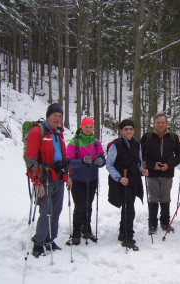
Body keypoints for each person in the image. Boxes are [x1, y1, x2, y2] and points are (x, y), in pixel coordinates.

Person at [25, 103, 72, 258]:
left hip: (58, 177)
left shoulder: (58, 133)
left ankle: (50, 239)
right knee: (46, 211)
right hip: (44, 177)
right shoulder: (38, 131)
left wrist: (68, 176)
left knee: (57, 210)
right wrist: (36, 182)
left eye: (60, 116)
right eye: (55, 116)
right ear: (48, 116)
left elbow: (63, 158)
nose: (57, 119)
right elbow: (31, 159)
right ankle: (38, 243)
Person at [106, 119, 147, 251]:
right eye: (126, 129)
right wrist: (119, 178)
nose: (129, 131)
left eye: (131, 128)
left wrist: (142, 170)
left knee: (128, 206)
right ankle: (127, 235)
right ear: (121, 131)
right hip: (122, 180)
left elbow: (139, 161)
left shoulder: (137, 144)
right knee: (129, 207)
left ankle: (123, 231)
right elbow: (109, 164)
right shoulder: (115, 145)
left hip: (134, 179)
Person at [140, 112, 180, 235]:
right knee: (153, 199)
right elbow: (140, 155)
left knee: (165, 199)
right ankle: (152, 225)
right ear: (154, 124)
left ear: (167, 124)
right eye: (158, 122)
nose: (160, 124)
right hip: (152, 174)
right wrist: (151, 165)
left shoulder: (173, 137)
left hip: (167, 173)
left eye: (163, 122)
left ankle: (165, 223)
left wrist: (169, 165)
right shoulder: (147, 137)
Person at [66, 117, 105, 246]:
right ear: (81, 128)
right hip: (78, 180)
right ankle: (76, 233)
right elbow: (69, 162)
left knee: (88, 205)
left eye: (91, 127)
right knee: (79, 207)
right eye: (86, 127)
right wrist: (82, 161)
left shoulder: (96, 142)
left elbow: (102, 158)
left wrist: (100, 162)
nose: (89, 129)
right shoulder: (74, 142)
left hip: (92, 179)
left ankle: (87, 230)